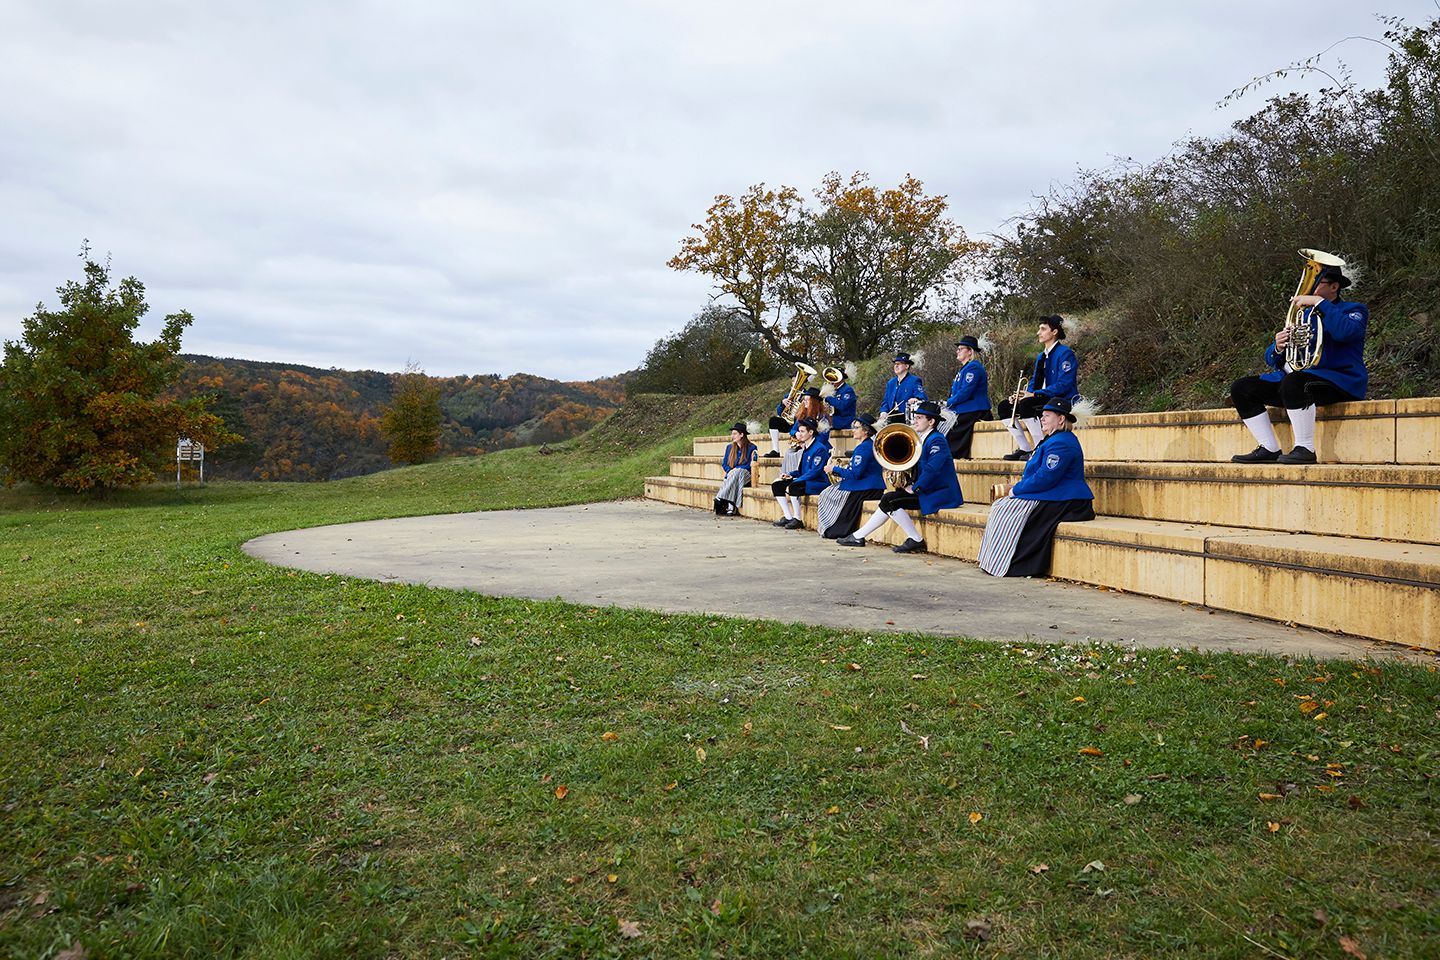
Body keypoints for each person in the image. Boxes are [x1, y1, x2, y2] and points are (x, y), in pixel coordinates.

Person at [1230, 264, 1369, 464]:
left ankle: (1305, 448)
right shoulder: (1303, 314)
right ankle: (1269, 447)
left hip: (1338, 381)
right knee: (1242, 388)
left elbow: (1345, 333)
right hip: (1298, 381)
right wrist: (1278, 347)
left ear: (1334, 287)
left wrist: (1320, 303)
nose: (1310, 288)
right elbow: (1272, 359)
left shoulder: (1354, 310)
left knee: (1295, 382)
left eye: (1317, 283)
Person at [978, 397, 1095, 577]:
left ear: (1061, 419)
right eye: (1042, 415)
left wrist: (1015, 490)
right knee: (1002, 506)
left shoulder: (1061, 442)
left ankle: (1010, 563)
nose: (1042, 419)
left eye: (1047, 415)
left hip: (1068, 500)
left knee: (1006, 509)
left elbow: (1046, 478)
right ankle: (995, 560)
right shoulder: (1053, 439)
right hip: (1054, 494)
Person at [838, 401, 962, 553]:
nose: (915, 421)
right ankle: (858, 536)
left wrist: (915, 487)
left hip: (939, 493)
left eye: (919, 418)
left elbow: (933, 469)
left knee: (890, 500)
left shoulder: (937, 440)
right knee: (889, 499)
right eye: (915, 417)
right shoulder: (923, 438)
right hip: (928, 490)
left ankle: (915, 539)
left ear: (931, 422)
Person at [997, 315, 1079, 461]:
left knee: (1027, 404)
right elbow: (1035, 381)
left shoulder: (1065, 353)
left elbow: (1064, 384)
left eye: (1043, 329)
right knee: (1004, 406)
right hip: (1042, 397)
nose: (1038, 332)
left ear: (1054, 332)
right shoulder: (1041, 356)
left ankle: (1039, 449)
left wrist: (1035, 395)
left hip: (1060, 399)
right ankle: (1025, 448)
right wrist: (1021, 394)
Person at [817, 413, 886, 539]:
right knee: (828, 492)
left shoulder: (863, 448)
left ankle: (833, 529)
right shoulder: (867, 445)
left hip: (866, 488)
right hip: (869, 486)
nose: (853, 430)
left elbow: (855, 474)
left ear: (865, 431)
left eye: (856, 427)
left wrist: (834, 469)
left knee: (827, 494)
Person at [770, 417, 831, 530]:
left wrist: (797, 480)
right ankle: (788, 517)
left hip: (819, 482)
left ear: (811, 432)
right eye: (799, 431)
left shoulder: (819, 448)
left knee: (795, 485)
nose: (800, 434)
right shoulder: (806, 447)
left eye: (802, 431)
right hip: (806, 479)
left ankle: (797, 519)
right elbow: (801, 470)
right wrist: (790, 475)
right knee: (777, 484)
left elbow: (815, 472)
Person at [943, 335, 992, 459]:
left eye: (961, 349)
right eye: (957, 349)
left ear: (970, 351)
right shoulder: (965, 368)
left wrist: (948, 402)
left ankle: (954, 455)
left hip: (974, 409)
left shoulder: (973, 367)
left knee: (952, 427)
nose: (957, 351)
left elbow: (965, 392)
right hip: (964, 408)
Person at [713, 422, 758, 516]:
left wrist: (735, 470)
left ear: (741, 434)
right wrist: (730, 471)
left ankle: (720, 497)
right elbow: (724, 464)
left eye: (734, 434)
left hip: (746, 475)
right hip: (733, 476)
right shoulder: (729, 447)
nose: (732, 436)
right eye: (732, 434)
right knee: (735, 475)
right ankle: (731, 506)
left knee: (739, 471)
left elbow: (750, 465)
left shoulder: (752, 447)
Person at [767, 387, 823, 457]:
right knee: (790, 453)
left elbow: (823, 436)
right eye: (804, 400)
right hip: (798, 432)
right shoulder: (802, 413)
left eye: (807, 400)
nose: (804, 402)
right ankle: (776, 450)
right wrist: (796, 433)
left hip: (817, 446)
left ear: (813, 402)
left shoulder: (821, 415)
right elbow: (792, 429)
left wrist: (807, 443)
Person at [880, 352, 927, 424]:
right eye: (895, 364)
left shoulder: (914, 380)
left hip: (906, 419)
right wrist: (883, 412)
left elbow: (922, 397)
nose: (896, 366)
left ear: (907, 366)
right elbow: (885, 401)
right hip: (891, 420)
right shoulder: (890, 383)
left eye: (899, 364)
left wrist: (916, 399)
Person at [822, 368, 858, 432]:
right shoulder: (834, 390)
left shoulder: (848, 390)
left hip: (845, 425)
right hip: (834, 424)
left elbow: (842, 405)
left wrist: (829, 398)